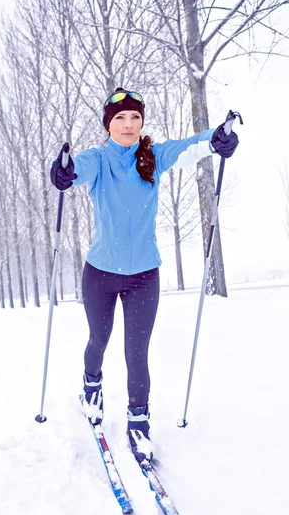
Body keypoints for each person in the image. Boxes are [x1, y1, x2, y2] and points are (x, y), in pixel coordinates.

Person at [50, 87, 238, 463]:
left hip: (143, 277)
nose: (128, 124)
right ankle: (92, 386)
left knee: (137, 353)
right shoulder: (99, 159)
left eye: (135, 117)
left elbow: (192, 146)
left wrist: (217, 139)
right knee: (98, 341)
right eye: (120, 118)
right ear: (108, 124)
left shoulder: (153, 155)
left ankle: (139, 422)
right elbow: (77, 169)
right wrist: (66, 173)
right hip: (100, 273)